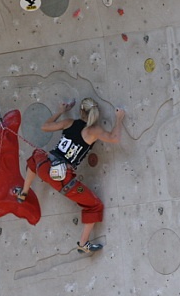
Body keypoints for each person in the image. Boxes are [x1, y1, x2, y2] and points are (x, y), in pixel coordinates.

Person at [15, 98, 125, 253]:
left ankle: (24, 192)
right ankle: (83, 244)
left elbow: (45, 126)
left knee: (36, 156)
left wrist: (61, 111)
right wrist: (119, 119)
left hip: (45, 167)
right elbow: (115, 138)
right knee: (95, 205)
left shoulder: (69, 122)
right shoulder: (93, 131)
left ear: (80, 111)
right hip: (63, 181)